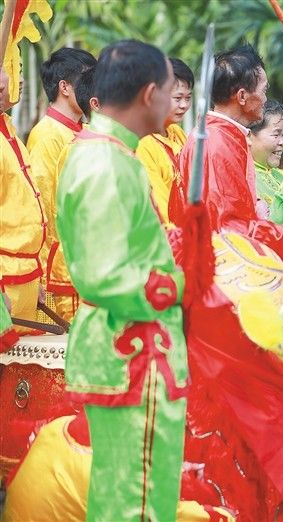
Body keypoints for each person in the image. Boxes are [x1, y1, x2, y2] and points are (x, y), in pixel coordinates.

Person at [56, 40, 188, 521]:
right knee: (140, 501)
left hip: (132, 351)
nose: (175, 102)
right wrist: (182, 280)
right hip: (133, 352)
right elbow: (105, 275)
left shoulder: (110, 153)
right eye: (171, 91)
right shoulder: (105, 163)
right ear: (150, 93)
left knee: (127, 497)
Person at [179, 44, 283, 278]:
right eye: (263, 90)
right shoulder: (217, 143)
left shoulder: (224, 136)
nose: (265, 98)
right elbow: (229, 231)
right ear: (242, 96)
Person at [25, 47, 96, 320]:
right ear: (65, 87)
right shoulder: (47, 135)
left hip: (79, 264)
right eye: (87, 79)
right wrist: (43, 274)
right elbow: (41, 207)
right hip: (58, 273)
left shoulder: (81, 131)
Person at [0, 67, 45, 331]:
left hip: (26, 281)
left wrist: (37, 280)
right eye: (13, 71)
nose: (19, 80)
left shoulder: (9, 130)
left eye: (19, 69)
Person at [136, 57, 194, 226]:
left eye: (188, 98)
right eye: (177, 98)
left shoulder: (177, 133)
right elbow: (158, 208)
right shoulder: (144, 144)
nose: (184, 105)